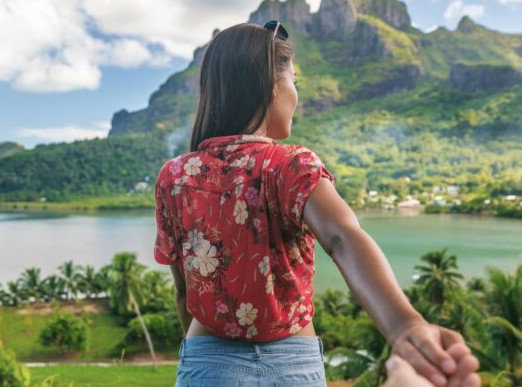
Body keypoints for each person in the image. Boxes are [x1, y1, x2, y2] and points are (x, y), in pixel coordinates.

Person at [153, 20, 481, 387]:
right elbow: (342, 237)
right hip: (291, 364)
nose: (297, 94)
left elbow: (183, 288)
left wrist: (199, 355)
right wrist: (405, 326)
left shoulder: (175, 176)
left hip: (206, 362)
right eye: (294, 81)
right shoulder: (291, 165)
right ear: (272, 87)